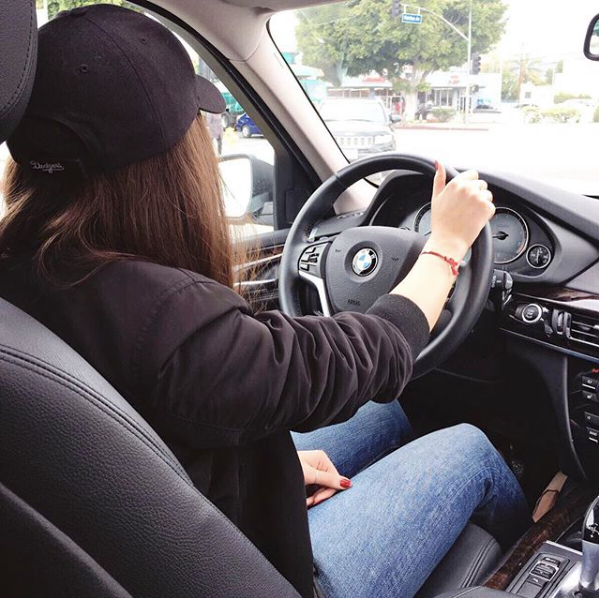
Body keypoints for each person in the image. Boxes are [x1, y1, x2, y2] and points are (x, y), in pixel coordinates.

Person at [0, 6, 529, 598]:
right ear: (171, 165)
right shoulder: (169, 319)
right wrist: (447, 247)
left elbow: (138, 447)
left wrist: (266, 474)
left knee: (384, 414)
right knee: (471, 448)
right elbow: (370, 352)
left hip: (171, 521)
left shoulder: (26, 272)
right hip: (256, 572)